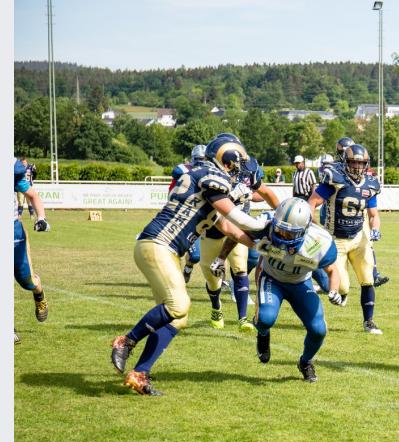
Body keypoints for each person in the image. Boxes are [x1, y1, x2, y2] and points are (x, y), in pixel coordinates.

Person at [110, 136, 266, 396]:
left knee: (178, 319)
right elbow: (236, 216)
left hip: (165, 250)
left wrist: (262, 246)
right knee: (179, 305)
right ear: (226, 159)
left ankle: (140, 374)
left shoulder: (205, 182)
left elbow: (229, 228)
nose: (240, 168)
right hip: (158, 244)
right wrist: (265, 225)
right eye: (238, 161)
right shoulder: (209, 175)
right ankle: (126, 341)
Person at [239, 198, 342, 382]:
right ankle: (263, 334)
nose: (282, 235)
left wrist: (333, 290)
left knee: (318, 329)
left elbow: (333, 270)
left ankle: (305, 362)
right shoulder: (266, 224)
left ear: (304, 230)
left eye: (289, 233)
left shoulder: (318, 242)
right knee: (265, 319)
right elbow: (235, 231)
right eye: (280, 229)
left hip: (301, 283)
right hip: (273, 279)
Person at [200, 134, 280, 332]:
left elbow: (266, 192)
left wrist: (282, 213)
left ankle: (243, 318)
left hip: (239, 229)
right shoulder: (208, 175)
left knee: (240, 269)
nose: (235, 165)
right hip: (213, 229)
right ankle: (216, 306)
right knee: (213, 278)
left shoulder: (246, 170)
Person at [308, 144, 384, 334]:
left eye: (361, 163)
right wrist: (309, 224)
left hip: (359, 238)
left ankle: (369, 321)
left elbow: (373, 214)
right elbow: (313, 201)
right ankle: (341, 293)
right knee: (342, 287)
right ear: (345, 162)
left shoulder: (370, 185)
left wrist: (375, 229)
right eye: (353, 162)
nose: (357, 167)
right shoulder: (335, 179)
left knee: (368, 279)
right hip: (336, 240)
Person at [13, 158, 51, 344]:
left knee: (27, 281)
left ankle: (39, 292)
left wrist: (41, 218)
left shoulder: (13, 167)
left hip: (12, 231)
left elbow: (33, 195)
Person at [169, 144, 207, 283]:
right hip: (187, 218)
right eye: (199, 158)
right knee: (195, 255)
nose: (201, 161)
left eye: (204, 158)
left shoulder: (214, 172)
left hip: (208, 217)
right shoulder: (183, 171)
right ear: (193, 159)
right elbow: (172, 193)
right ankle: (185, 270)